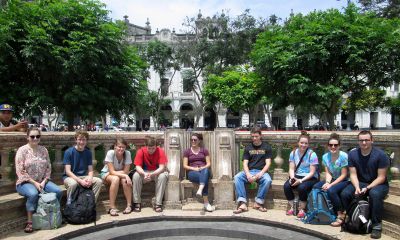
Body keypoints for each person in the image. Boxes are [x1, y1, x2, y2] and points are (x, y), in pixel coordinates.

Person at [340, 131, 389, 239]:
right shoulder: (353, 154)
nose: (364, 142)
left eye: (366, 140)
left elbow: (381, 177)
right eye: (361, 140)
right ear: (358, 141)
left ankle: (376, 225)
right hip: (361, 182)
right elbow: (353, 174)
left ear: (372, 140)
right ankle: (352, 217)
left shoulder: (381, 155)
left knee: (374, 194)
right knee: (345, 194)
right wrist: (357, 187)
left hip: (379, 183)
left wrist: (367, 188)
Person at [15, 127, 62, 233]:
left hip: (43, 181)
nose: (35, 138)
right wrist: (35, 183)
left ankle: (53, 214)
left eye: (38, 136)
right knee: (33, 194)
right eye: (32, 136)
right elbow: (20, 171)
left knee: (58, 191)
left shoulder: (43, 150)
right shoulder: (22, 151)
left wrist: (44, 181)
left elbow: (48, 167)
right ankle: (30, 221)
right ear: (27, 137)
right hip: (25, 182)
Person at [313, 133, 349, 227]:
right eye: (331, 145)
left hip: (344, 180)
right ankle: (321, 210)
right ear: (328, 146)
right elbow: (328, 173)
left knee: (332, 190)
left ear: (339, 146)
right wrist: (328, 182)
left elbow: (344, 175)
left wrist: (330, 185)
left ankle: (340, 214)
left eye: (335, 145)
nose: (333, 147)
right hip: (332, 179)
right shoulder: (325, 156)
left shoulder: (343, 156)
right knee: (316, 186)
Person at [233, 127, 272, 214]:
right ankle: (242, 202)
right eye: (253, 136)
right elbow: (245, 163)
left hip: (262, 172)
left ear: (260, 136)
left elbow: (268, 163)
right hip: (250, 171)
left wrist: (260, 174)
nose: (254, 138)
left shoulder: (267, 147)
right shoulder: (248, 147)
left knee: (267, 180)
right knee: (237, 177)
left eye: (256, 136)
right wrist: (247, 174)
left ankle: (258, 202)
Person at [284, 130, 319, 218]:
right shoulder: (293, 153)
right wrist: (292, 178)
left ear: (308, 144)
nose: (303, 145)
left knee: (302, 187)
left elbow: (312, 172)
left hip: (310, 177)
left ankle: (302, 209)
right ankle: (293, 206)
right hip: (297, 176)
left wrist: (300, 181)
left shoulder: (312, 154)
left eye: (305, 143)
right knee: (286, 186)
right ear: (298, 143)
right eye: (301, 143)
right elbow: (291, 168)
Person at [63, 130, 102, 203]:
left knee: (98, 181)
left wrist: (90, 178)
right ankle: (70, 205)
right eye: (79, 139)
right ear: (75, 140)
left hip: (84, 176)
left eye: (84, 140)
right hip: (70, 177)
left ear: (86, 141)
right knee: (73, 184)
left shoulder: (88, 152)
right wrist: (80, 181)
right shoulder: (68, 152)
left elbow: (90, 170)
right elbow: (68, 172)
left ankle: (91, 204)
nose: (81, 142)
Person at [132, 136, 169, 212]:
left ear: (156, 146)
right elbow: (137, 167)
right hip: (144, 172)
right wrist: (144, 174)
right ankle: (137, 202)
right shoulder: (141, 151)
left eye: (153, 148)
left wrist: (152, 174)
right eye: (149, 148)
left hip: (157, 172)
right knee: (136, 176)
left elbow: (162, 167)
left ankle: (158, 203)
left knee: (163, 176)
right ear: (146, 146)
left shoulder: (160, 151)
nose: (151, 150)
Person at [100, 138, 133, 216]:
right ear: (115, 147)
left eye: (123, 147)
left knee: (125, 180)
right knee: (116, 179)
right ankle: (112, 207)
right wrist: (125, 175)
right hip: (107, 173)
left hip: (120, 174)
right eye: (119, 147)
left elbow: (126, 171)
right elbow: (111, 171)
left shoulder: (127, 153)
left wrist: (125, 175)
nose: (121, 149)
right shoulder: (110, 153)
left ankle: (129, 205)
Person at [183, 133, 214, 212]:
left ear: (199, 141)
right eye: (191, 140)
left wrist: (202, 168)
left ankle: (200, 189)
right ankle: (206, 203)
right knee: (204, 179)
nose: (193, 141)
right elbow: (185, 166)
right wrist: (194, 168)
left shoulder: (204, 150)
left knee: (205, 172)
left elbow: (208, 164)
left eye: (195, 140)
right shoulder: (187, 151)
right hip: (192, 172)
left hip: (204, 170)